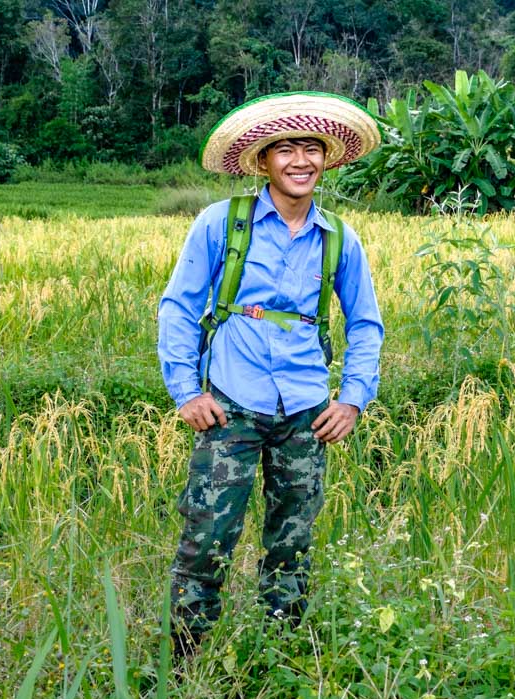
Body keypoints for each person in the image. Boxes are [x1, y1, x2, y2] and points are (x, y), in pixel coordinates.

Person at [157, 93, 384, 657]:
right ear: (263, 161)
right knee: (208, 534)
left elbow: (366, 324)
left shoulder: (338, 238)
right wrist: (186, 391)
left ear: (327, 160)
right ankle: (184, 662)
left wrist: (352, 399)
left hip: (307, 410)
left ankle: (279, 659)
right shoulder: (222, 223)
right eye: (286, 148)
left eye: (312, 148)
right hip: (230, 401)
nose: (300, 160)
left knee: (293, 541)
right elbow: (179, 307)